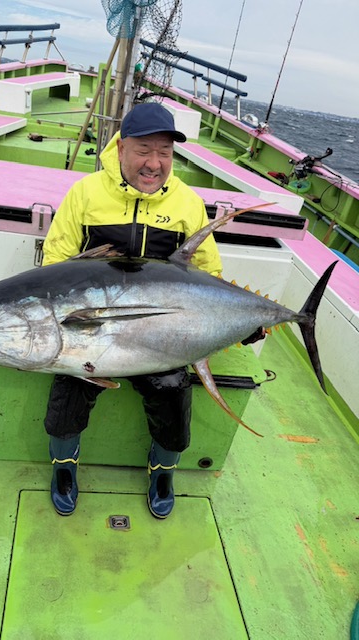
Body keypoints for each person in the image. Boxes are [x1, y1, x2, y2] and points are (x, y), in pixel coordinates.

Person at [41, 102, 258, 519]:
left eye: (164, 152)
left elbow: (208, 273)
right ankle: (64, 467)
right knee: (66, 393)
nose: (154, 163)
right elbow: (55, 263)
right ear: (121, 147)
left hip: (162, 335)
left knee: (174, 392)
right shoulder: (85, 194)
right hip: (94, 333)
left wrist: (236, 322)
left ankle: (163, 472)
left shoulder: (187, 203)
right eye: (144, 150)